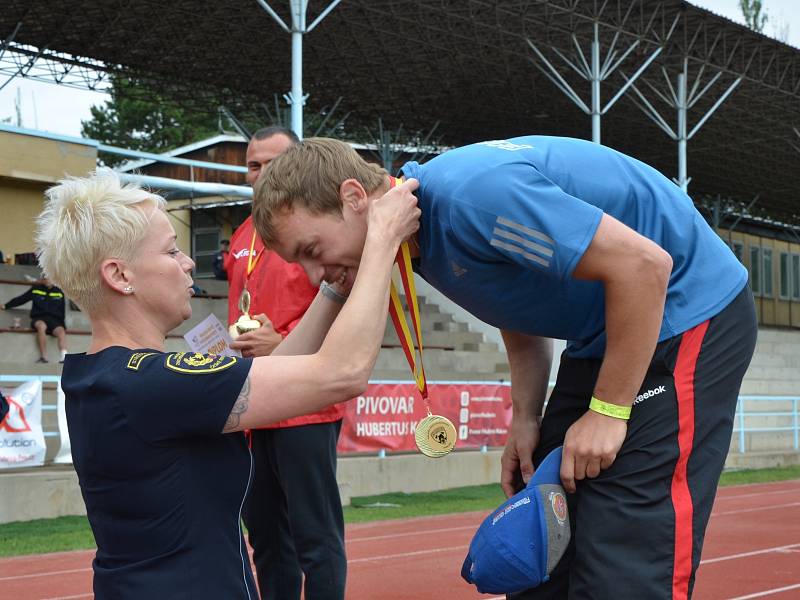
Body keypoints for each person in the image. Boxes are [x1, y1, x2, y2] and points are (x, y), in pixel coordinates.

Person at [252, 136, 757, 600]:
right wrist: (526, 415)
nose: (317, 274)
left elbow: (644, 267)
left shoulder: (472, 197)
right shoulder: (416, 235)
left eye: (313, 251)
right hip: (602, 329)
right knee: (543, 540)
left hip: (684, 309)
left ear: (354, 197)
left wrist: (608, 410)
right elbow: (517, 298)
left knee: (623, 551)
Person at [34, 169, 420, 599]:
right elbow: (342, 372)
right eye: (171, 251)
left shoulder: (110, 376)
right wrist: (381, 240)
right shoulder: (152, 383)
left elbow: (274, 374)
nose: (189, 262)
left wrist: (332, 291)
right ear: (120, 275)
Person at [226, 125, 348, 600]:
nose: (261, 173)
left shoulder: (319, 222)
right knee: (266, 539)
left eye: (272, 163)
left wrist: (286, 342)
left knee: (314, 537)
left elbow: (344, 299)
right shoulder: (242, 232)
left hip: (305, 402)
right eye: (254, 165)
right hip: (254, 403)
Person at [1, 277, 68, 363]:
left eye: (49, 278)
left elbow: (62, 309)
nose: (47, 280)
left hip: (54, 320)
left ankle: (64, 357)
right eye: (45, 278)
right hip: (39, 318)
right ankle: (43, 357)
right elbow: (21, 299)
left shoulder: (59, 291)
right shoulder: (36, 289)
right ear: (42, 279)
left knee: (61, 331)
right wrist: (6, 305)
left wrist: (62, 324)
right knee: (41, 326)